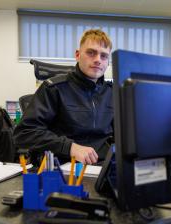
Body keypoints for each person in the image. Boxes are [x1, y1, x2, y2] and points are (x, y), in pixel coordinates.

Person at [13, 29, 113, 165]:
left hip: (103, 167)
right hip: (63, 166)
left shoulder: (113, 93)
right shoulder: (54, 88)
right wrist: (69, 147)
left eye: (104, 56)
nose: (97, 60)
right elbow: (24, 133)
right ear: (77, 55)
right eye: (91, 53)